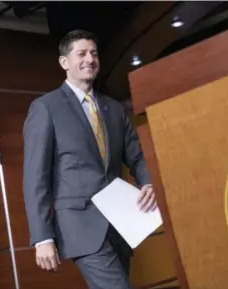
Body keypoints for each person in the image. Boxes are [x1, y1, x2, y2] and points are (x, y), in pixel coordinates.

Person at [22, 29, 157, 289]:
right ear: (64, 63)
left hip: (120, 223)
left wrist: (148, 182)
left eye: (94, 53)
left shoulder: (114, 108)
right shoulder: (46, 108)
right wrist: (42, 237)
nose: (89, 59)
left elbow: (138, 156)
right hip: (80, 227)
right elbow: (35, 178)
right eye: (81, 53)